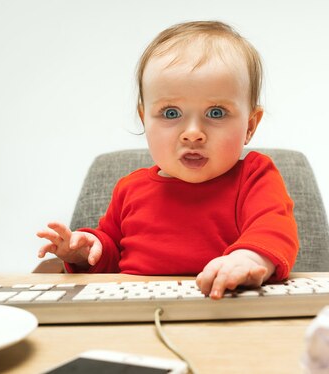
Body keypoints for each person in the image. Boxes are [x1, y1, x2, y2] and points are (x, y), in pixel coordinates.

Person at [37, 21, 299, 299]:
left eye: (217, 113)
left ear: (249, 125)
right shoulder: (130, 189)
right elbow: (111, 256)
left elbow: (274, 229)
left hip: (224, 308)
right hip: (136, 310)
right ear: (145, 120)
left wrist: (248, 259)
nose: (193, 133)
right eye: (171, 113)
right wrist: (86, 252)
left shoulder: (254, 176)